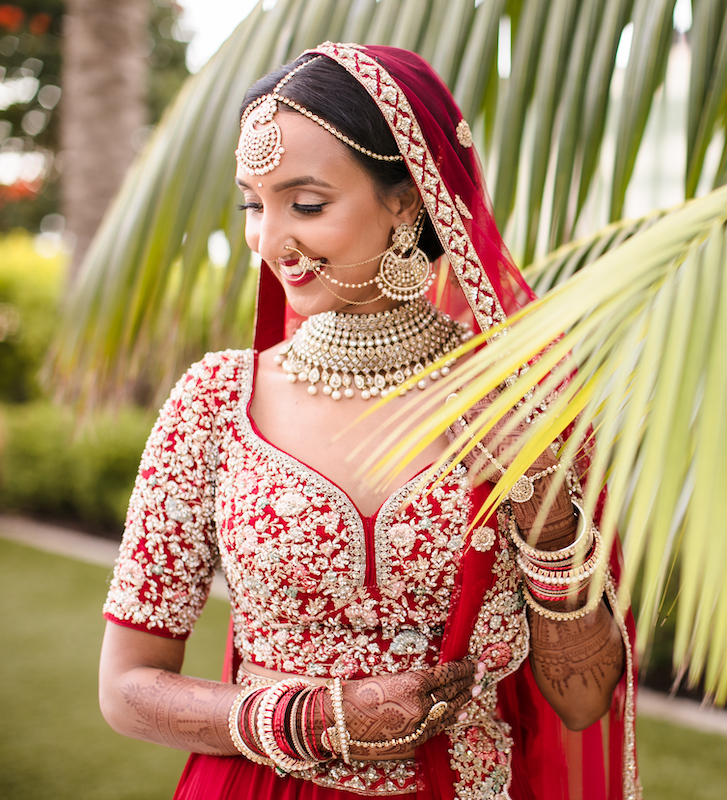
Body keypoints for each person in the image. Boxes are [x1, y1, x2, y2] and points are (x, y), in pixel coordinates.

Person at [98, 43, 639, 800]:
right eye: (254, 204)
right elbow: (126, 689)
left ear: (407, 199)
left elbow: (582, 704)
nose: (269, 240)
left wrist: (543, 513)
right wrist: (314, 719)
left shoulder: (515, 398)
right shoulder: (216, 404)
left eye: (306, 203)